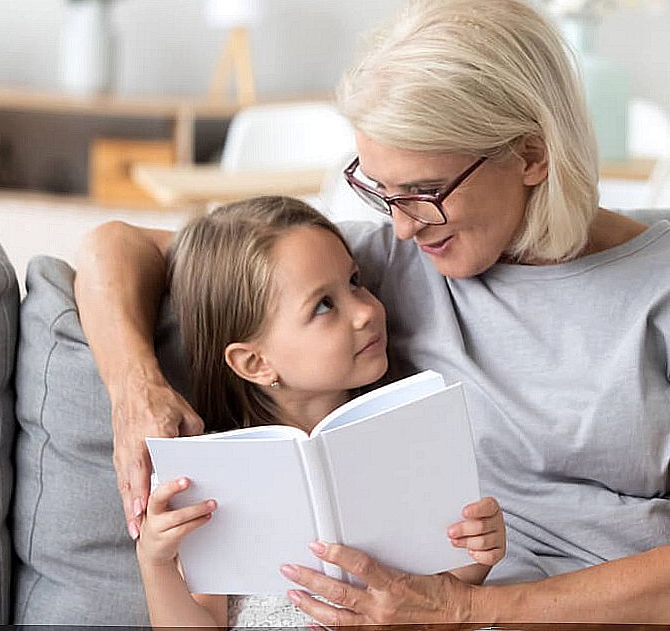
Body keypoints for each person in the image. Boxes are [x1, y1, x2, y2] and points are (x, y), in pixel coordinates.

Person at [74, 0, 670, 625]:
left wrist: (459, 610)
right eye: (380, 191)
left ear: (530, 155)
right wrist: (134, 384)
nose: (400, 225)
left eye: (423, 191)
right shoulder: (379, 269)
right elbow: (114, 245)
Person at [133, 195, 506, 627]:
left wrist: (479, 553)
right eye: (324, 305)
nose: (366, 311)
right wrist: (156, 564)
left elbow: (445, 594)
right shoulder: (220, 477)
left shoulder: (409, 435)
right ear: (256, 363)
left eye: (355, 281)